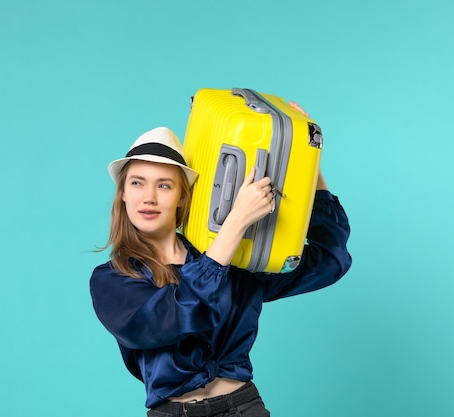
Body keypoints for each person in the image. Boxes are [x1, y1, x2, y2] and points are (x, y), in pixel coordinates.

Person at [89, 101, 352, 416]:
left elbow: (329, 258)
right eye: (137, 183)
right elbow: (177, 314)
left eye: (164, 185)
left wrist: (309, 157)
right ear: (123, 194)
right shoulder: (112, 280)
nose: (149, 197)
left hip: (244, 407)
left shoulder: (236, 263)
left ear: (183, 196)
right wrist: (236, 223)